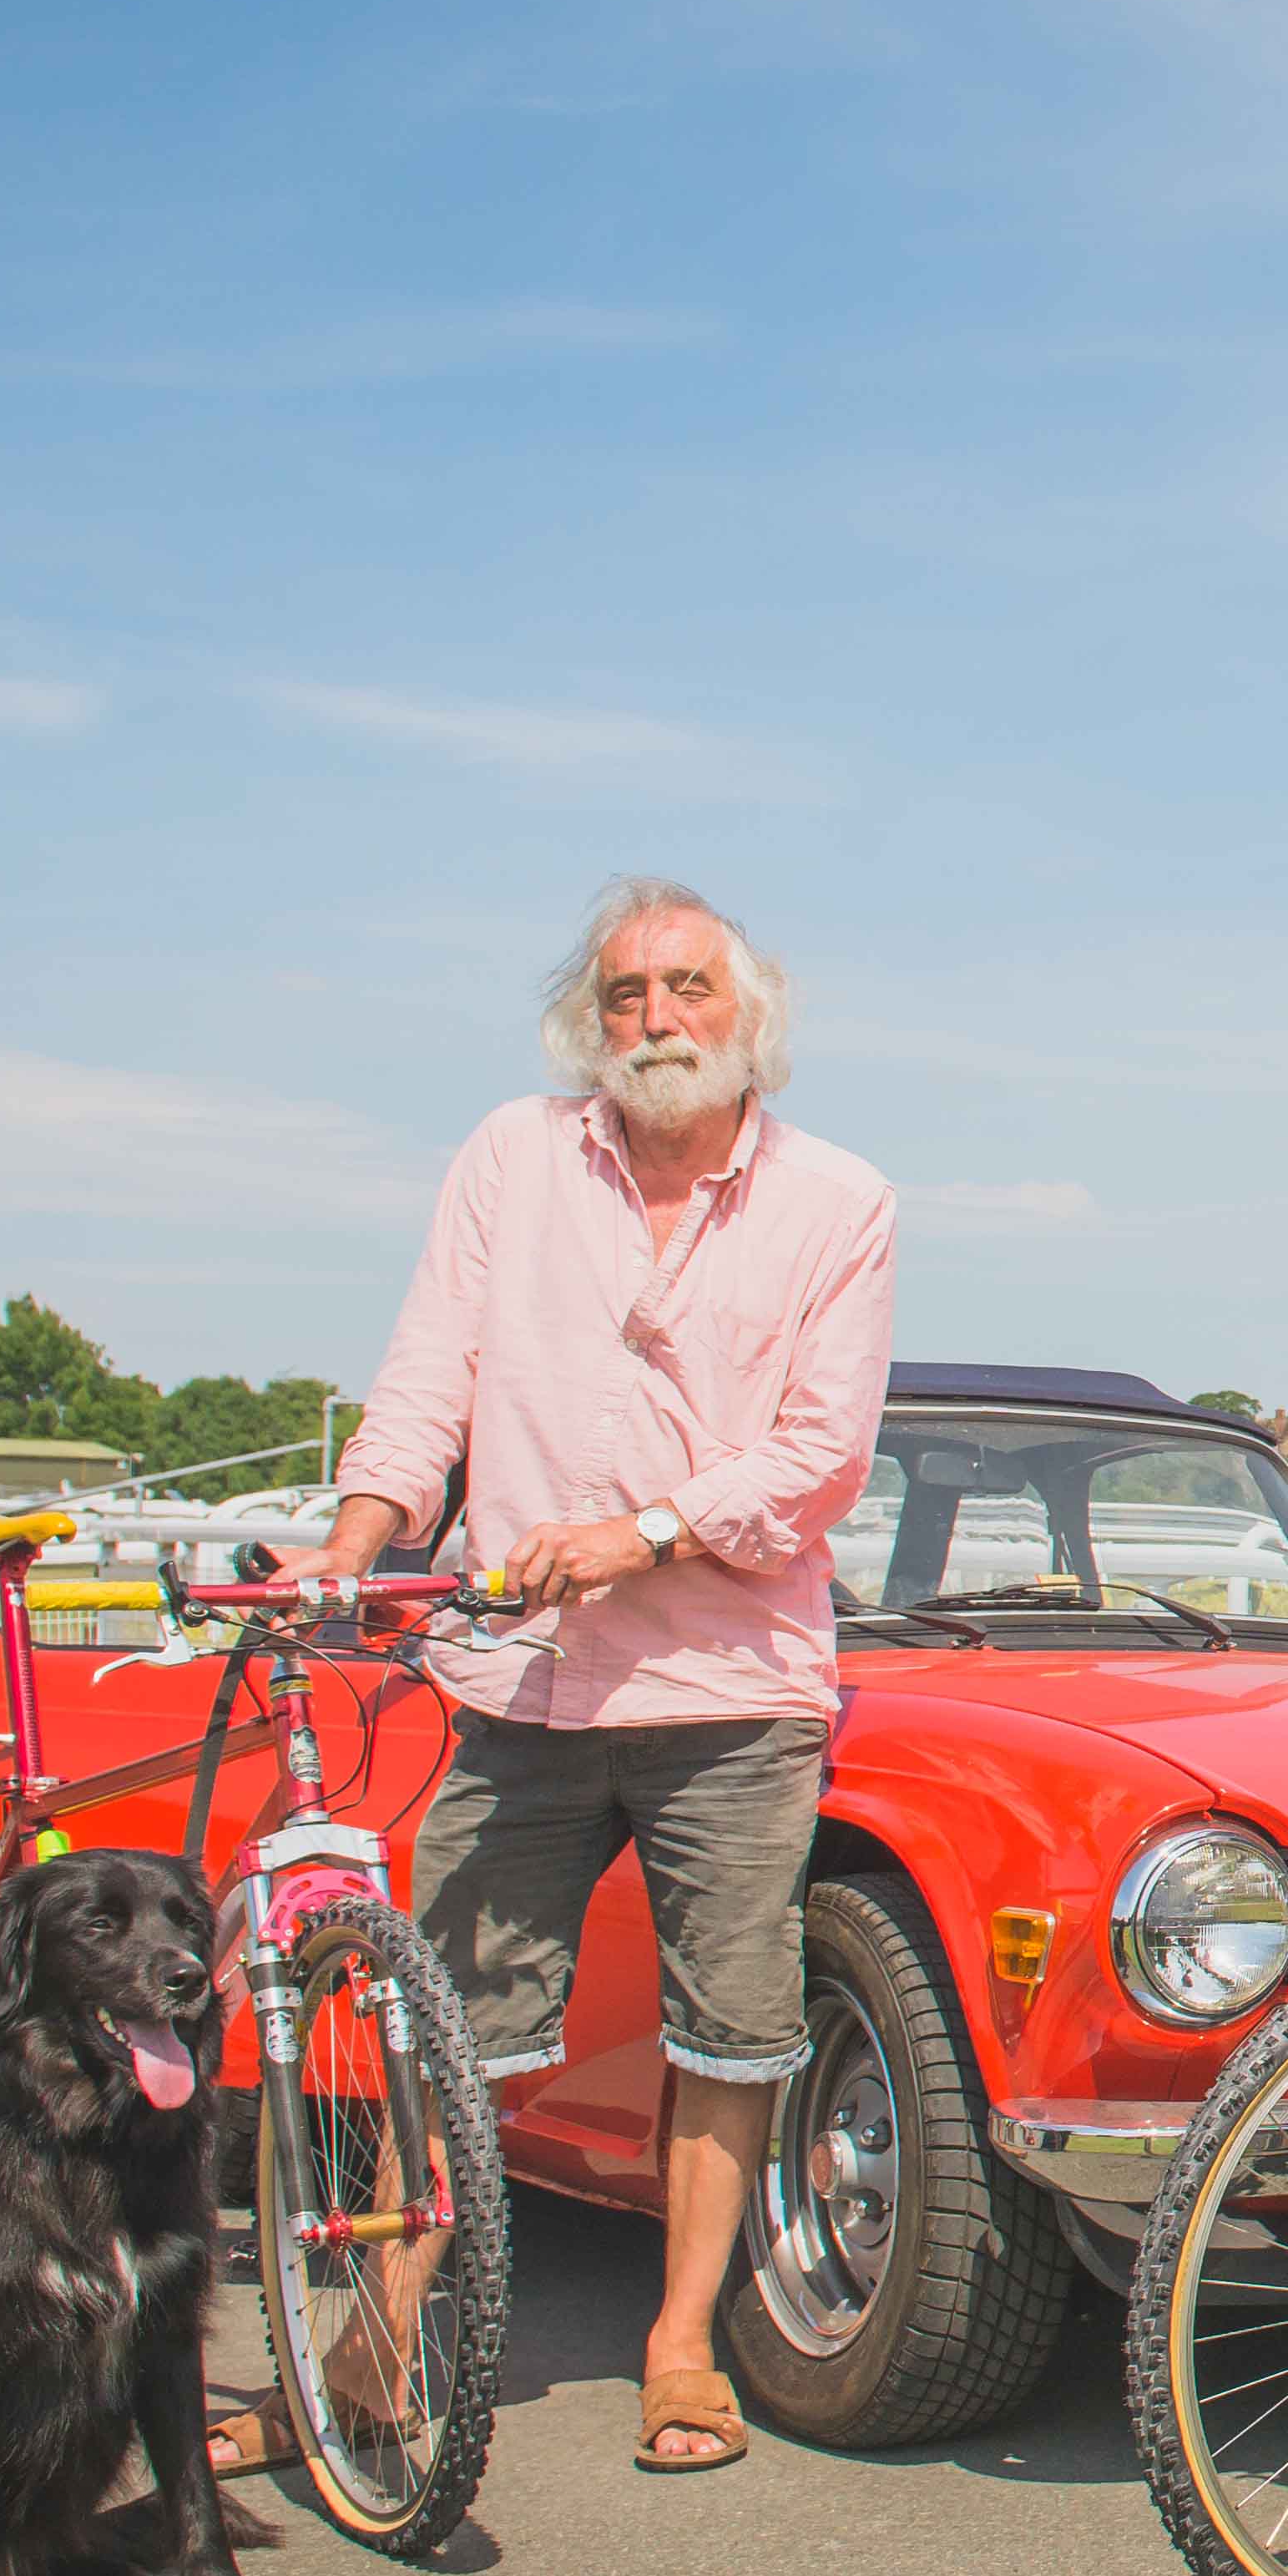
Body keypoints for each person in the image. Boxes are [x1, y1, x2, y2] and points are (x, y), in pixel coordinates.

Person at [299, 879, 895, 2479]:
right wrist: (354, 1546)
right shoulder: (512, 1155)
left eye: (688, 988)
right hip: (520, 1676)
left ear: (748, 1013)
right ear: (591, 1019)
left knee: (734, 2021)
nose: (657, 1020)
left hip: (733, 1686)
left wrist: (633, 1533)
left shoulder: (840, 1201)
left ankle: (684, 2344)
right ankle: (379, 2330)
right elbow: (431, 1374)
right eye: (626, 994)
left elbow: (821, 1458)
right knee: (447, 2015)